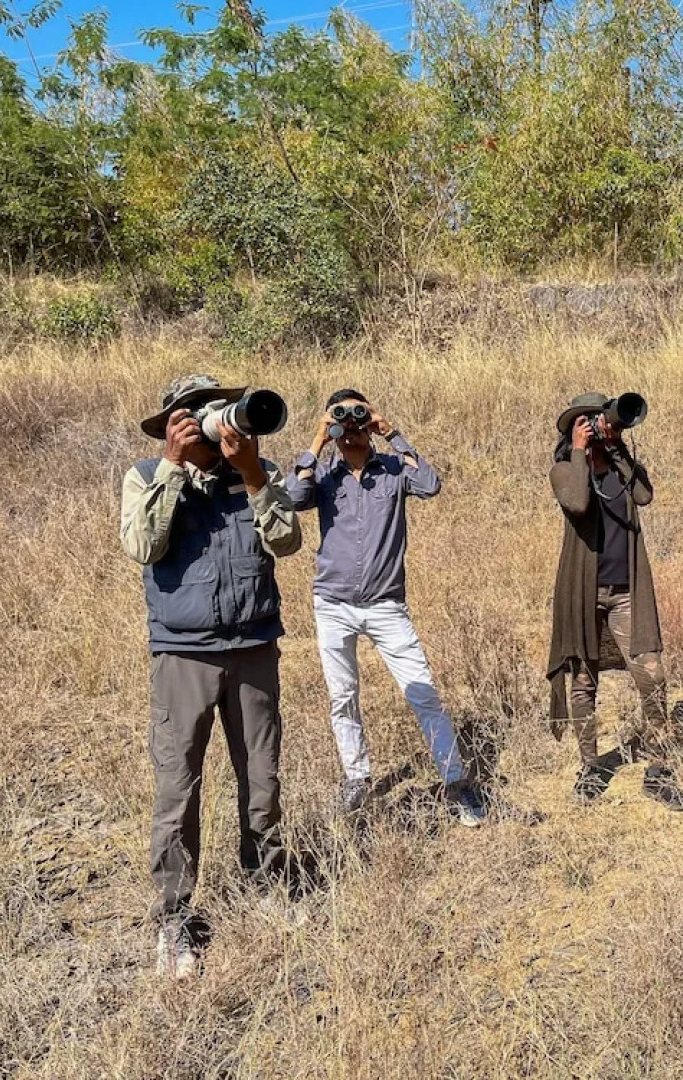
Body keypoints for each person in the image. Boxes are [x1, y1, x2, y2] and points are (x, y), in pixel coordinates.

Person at [119, 374, 303, 979]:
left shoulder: (254, 470)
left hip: (253, 646)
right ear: (173, 422)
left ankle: (267, 881)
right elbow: (143, 546)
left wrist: (250, 474)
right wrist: (173, 466)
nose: (207, 419)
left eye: (212, 408)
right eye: (192, 412)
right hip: (183, 655)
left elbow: (287, 539)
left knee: (262, 775)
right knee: (178, 788)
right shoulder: (146, 476)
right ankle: (173, 918)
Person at [286, 389, 486, 828]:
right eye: (343, 419)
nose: (351, 426)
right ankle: (356, 779)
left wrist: (392, 432)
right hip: (333, 603)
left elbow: (431, 484)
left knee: (422, 692)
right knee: (343, 697)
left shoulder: (394, 469)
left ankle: (456, 781)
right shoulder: (322, 474)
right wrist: (320, 436)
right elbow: (294, 497)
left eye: (358, 416)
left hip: (385, 604)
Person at [547, 393, 683, 811]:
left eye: (601, 418)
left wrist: (616, 448)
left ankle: (659, 769)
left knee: (652, 674)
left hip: (627, 589)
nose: (599, 424)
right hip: (583, 592)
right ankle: (590, 767)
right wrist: (579, 450)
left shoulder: (620, 467)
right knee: (582, 680)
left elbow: (644, 495)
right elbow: (576, 502)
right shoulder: (563, 470)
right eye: (588, 420)